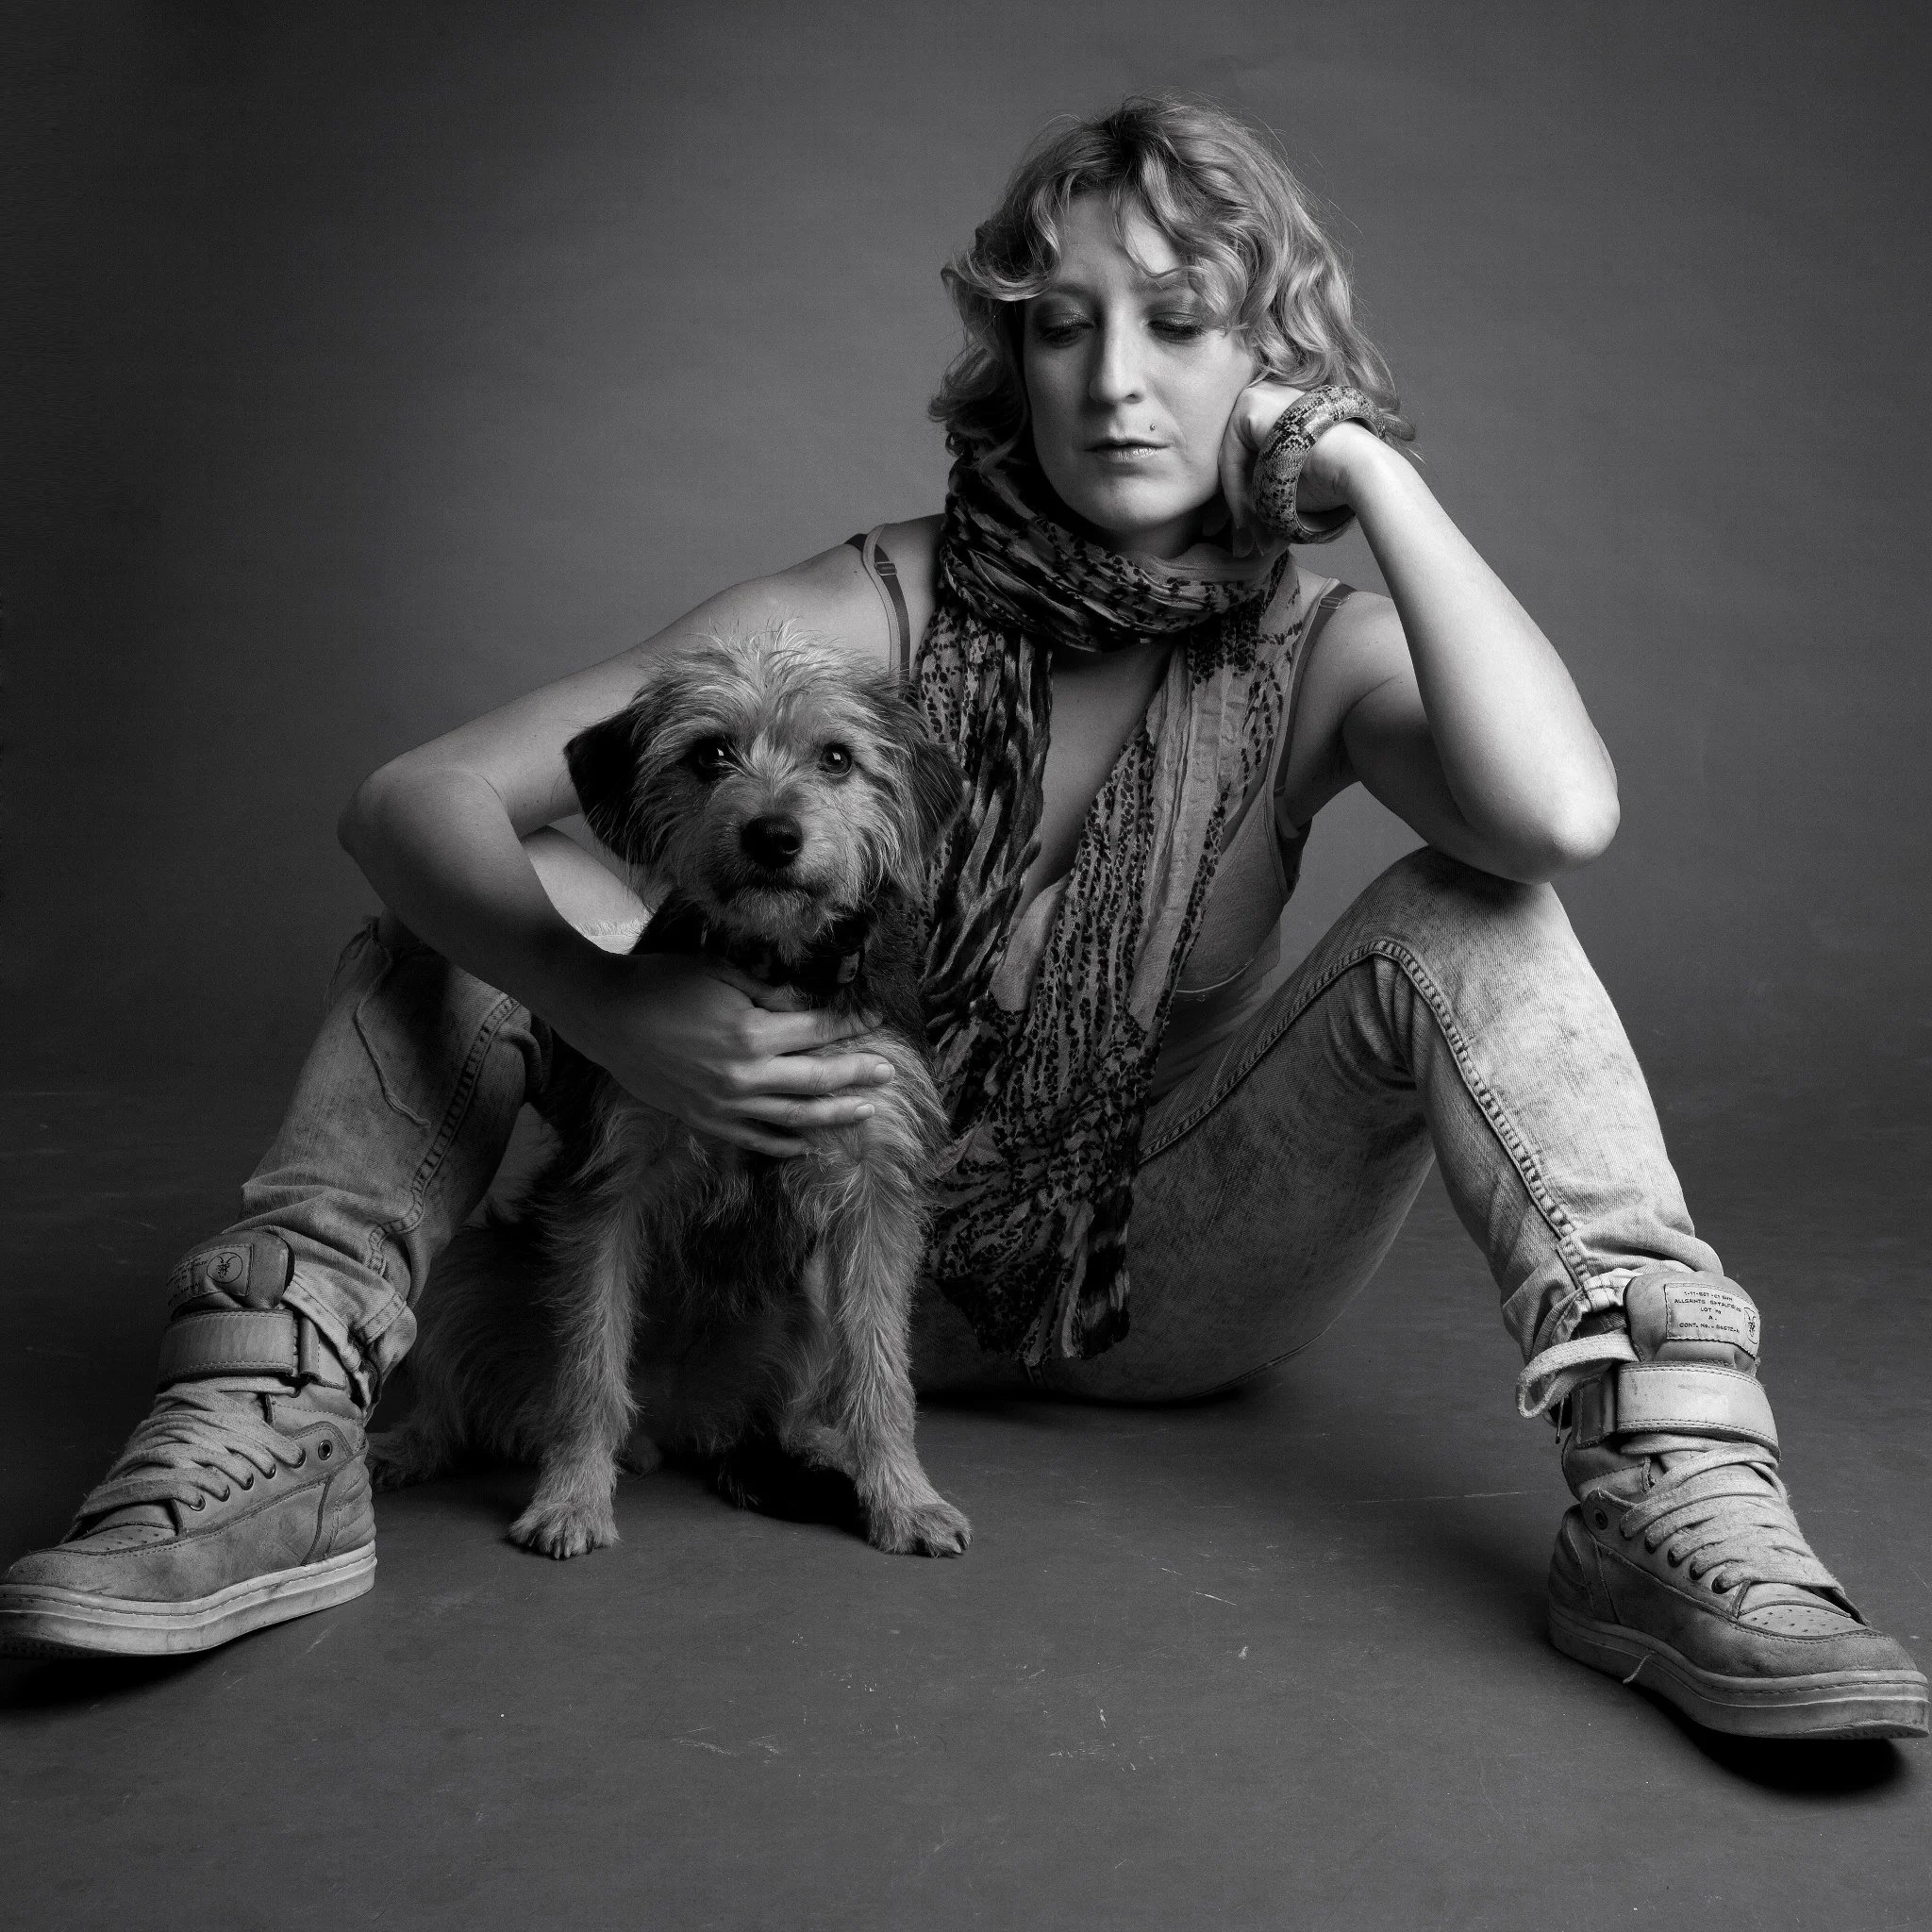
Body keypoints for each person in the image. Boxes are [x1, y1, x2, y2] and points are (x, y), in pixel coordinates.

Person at [2, 95, 1922, 1741]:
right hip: (771, 1266)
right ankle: (258, 1426)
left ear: (1276, 356)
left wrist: (1365, 481)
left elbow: (1558, 813)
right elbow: (403, 795)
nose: (1111, 378)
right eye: (1061, 323)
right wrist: (602, 1007)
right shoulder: (882, 603)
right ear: (1008, 356)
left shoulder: (1312, 655)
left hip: (1141, 1274)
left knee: (1480, 914)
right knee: (476, 909)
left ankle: (1675, 1495)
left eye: (1180, 324)